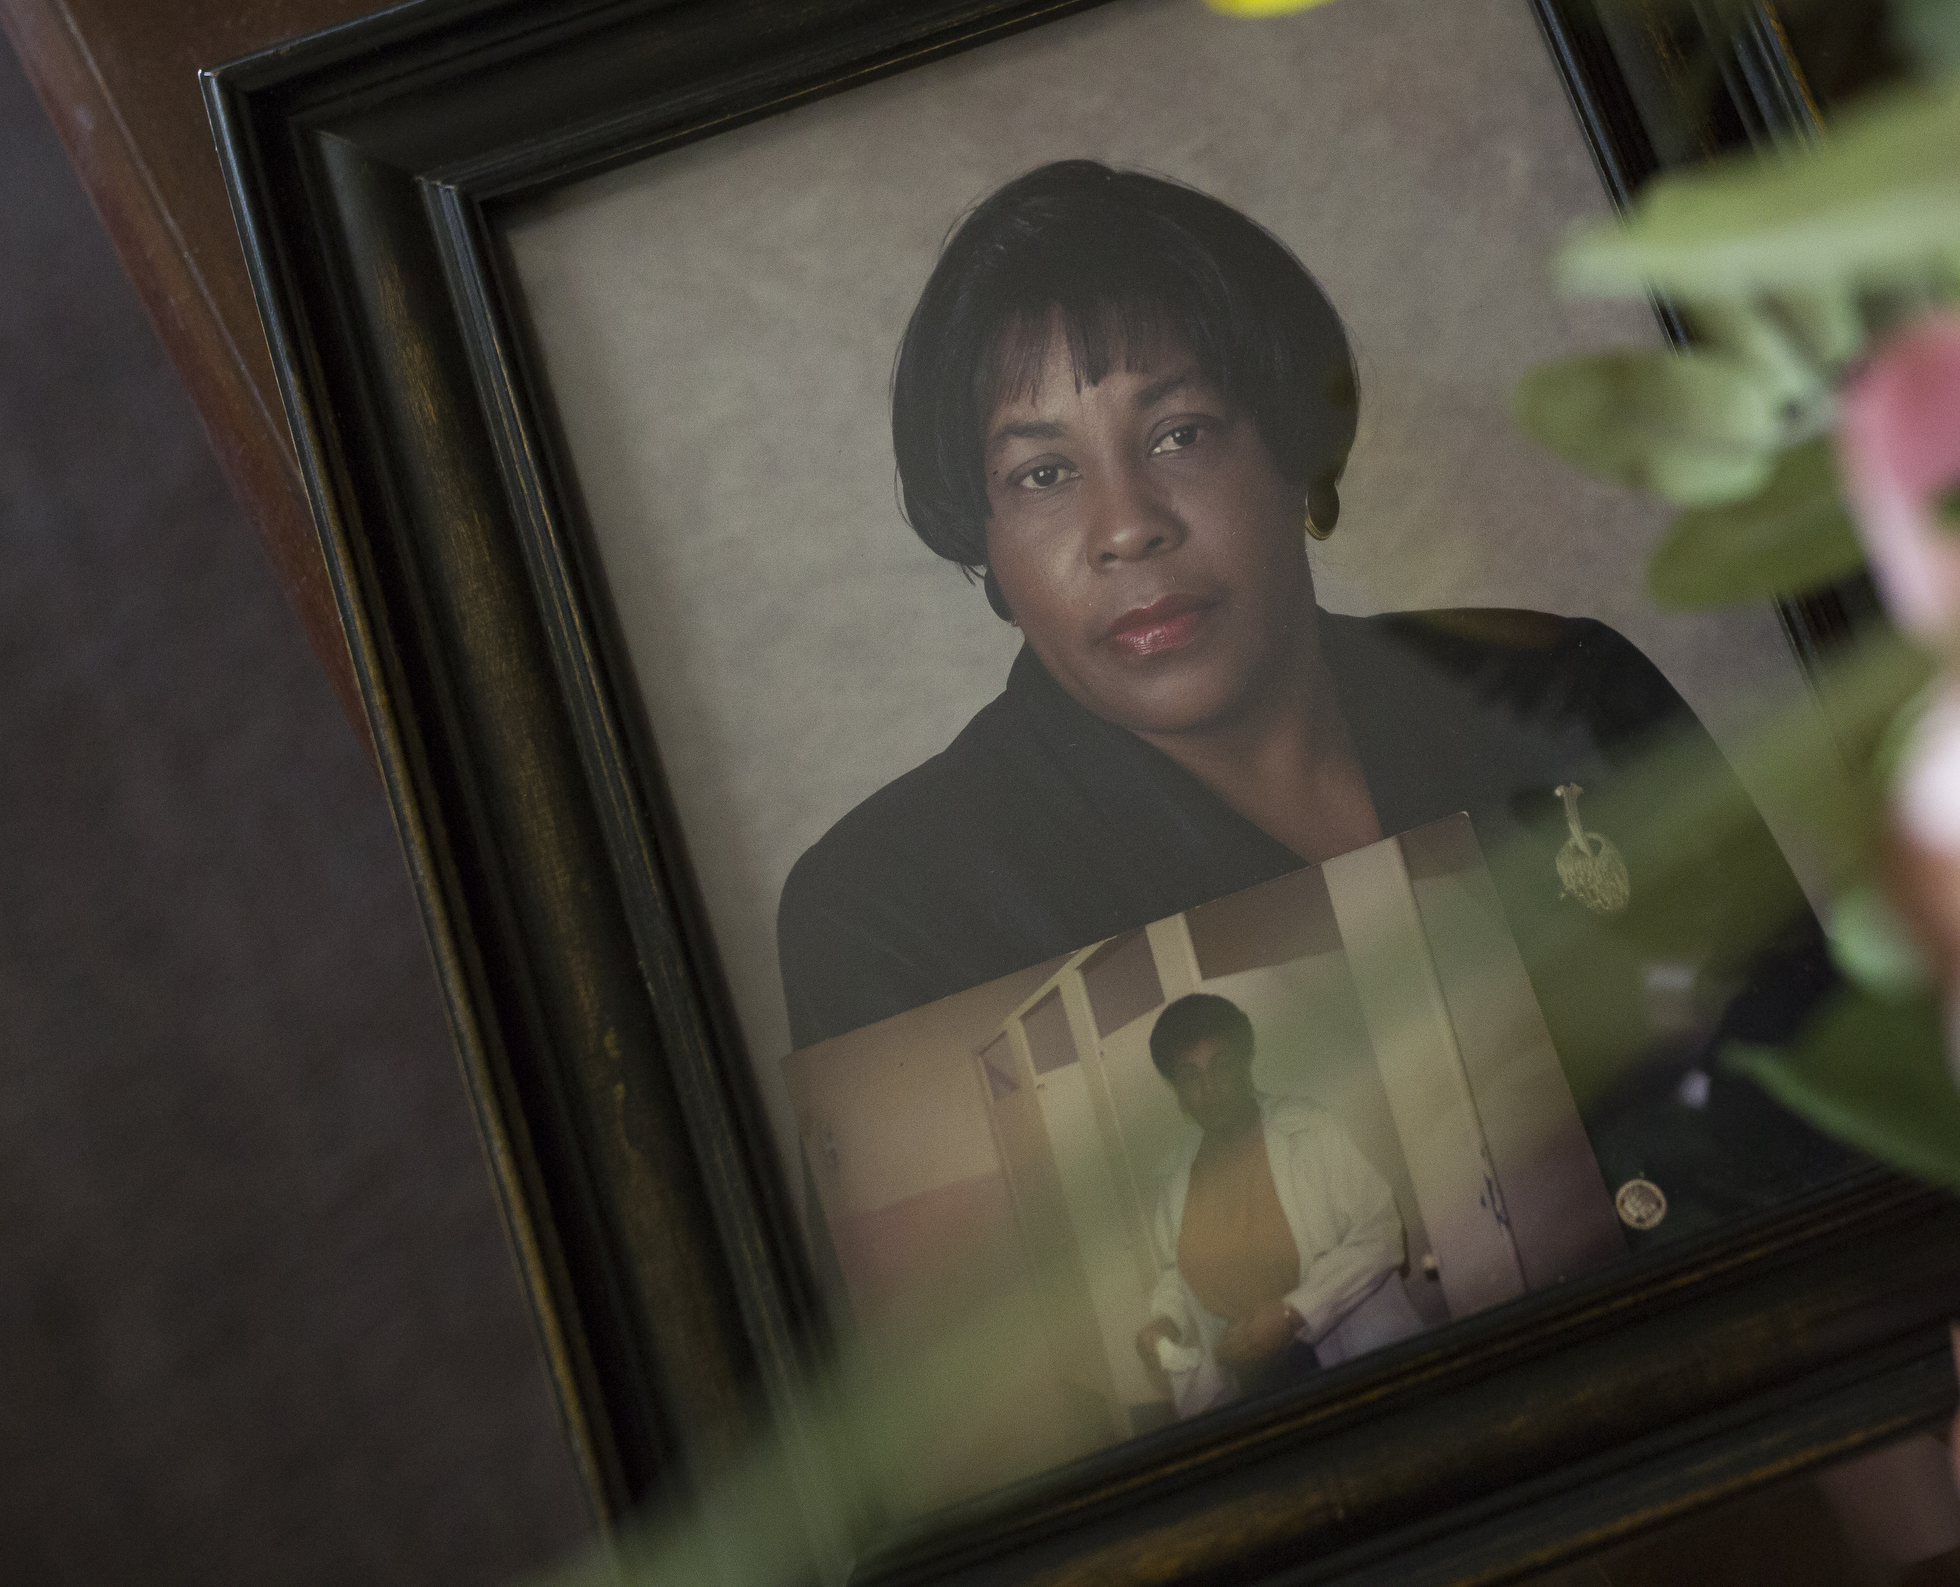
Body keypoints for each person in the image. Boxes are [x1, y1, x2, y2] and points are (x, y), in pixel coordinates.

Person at [777, 160, 1847, 1228]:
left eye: (1179, 432)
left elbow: (1845, 1111)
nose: (1127, 524)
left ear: (1295, 450)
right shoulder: (889, 911)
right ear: (985, 543)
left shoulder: (1564, 692)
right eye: (1042, 475)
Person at [1131, 992, 1426, 1416]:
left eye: (1222, 1065)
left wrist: (1294, 1314)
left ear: (1246, 1066)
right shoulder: (1176, 1175)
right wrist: (1167, 1320)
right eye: (1191, 1076)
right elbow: (1178, 1271)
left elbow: (1380, 1235)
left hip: (1333, 1353)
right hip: (1247, 1379)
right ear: (1176, 1090)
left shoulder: (1310, 1130)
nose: (1209, 1088)